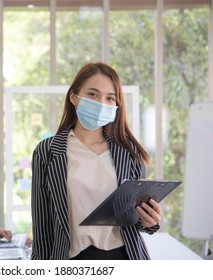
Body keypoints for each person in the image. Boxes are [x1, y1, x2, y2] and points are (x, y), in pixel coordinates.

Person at [31, 62, 161, 260]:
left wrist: (149, 221)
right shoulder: (47, 151)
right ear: (74, 97)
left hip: (125, 257)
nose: (101, 103)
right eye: (92, 94)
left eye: (110, 98)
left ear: (116, 105)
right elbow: (42, 225)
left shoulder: (129, 152)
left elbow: (134, 220)